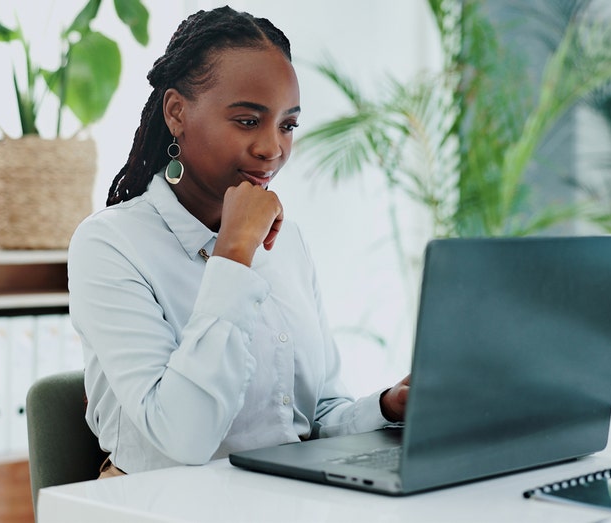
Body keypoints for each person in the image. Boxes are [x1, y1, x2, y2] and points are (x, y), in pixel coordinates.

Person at [68, 5, 410, 478]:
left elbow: (312, 421)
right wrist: (234, 254)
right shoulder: (109, 245)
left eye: (287, 125)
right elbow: (182, 439)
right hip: (161, 504)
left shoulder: (288, 243)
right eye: (248, 121)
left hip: (279, 496)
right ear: (176, 113)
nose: (272, 148)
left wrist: (387, 408)